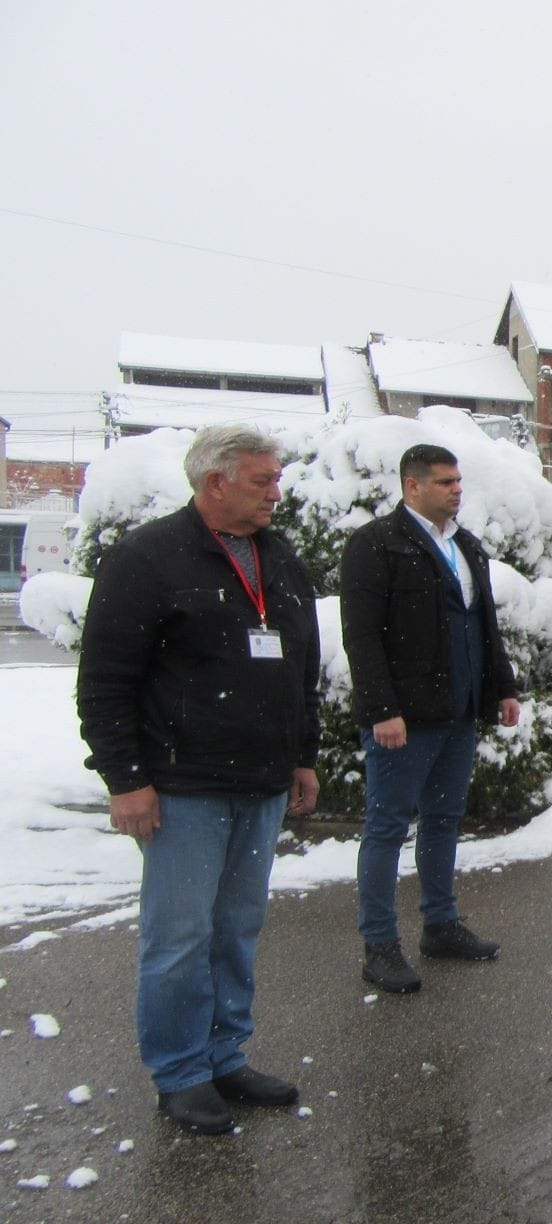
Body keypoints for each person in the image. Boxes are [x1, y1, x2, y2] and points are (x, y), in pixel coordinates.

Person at [77, 425, 320, 1135]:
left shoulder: (278, 557)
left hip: (263, 781)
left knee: (237, 928)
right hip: (183, 787)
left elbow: (300, 666)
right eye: (262, 480)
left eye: (276, 478)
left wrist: (301, 755)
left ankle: (224, 1054)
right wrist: (125, 779)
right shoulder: (149, 558)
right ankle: (180, 1072)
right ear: (215, 482)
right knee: (179, 936)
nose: (277, 492)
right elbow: (105, 682)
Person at [340, 443, 520, 994]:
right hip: (406, 718)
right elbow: (362, 635)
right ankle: (380, 945)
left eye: (458, 481)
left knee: (444, 820)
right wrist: (382, 709)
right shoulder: (376, 545)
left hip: (460, 710)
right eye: (444, 482)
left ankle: (440, 926)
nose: (456, 490)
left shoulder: (466, 546)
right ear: (412, 486)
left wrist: (503, 688)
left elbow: (484, 622)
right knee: (388, 827)